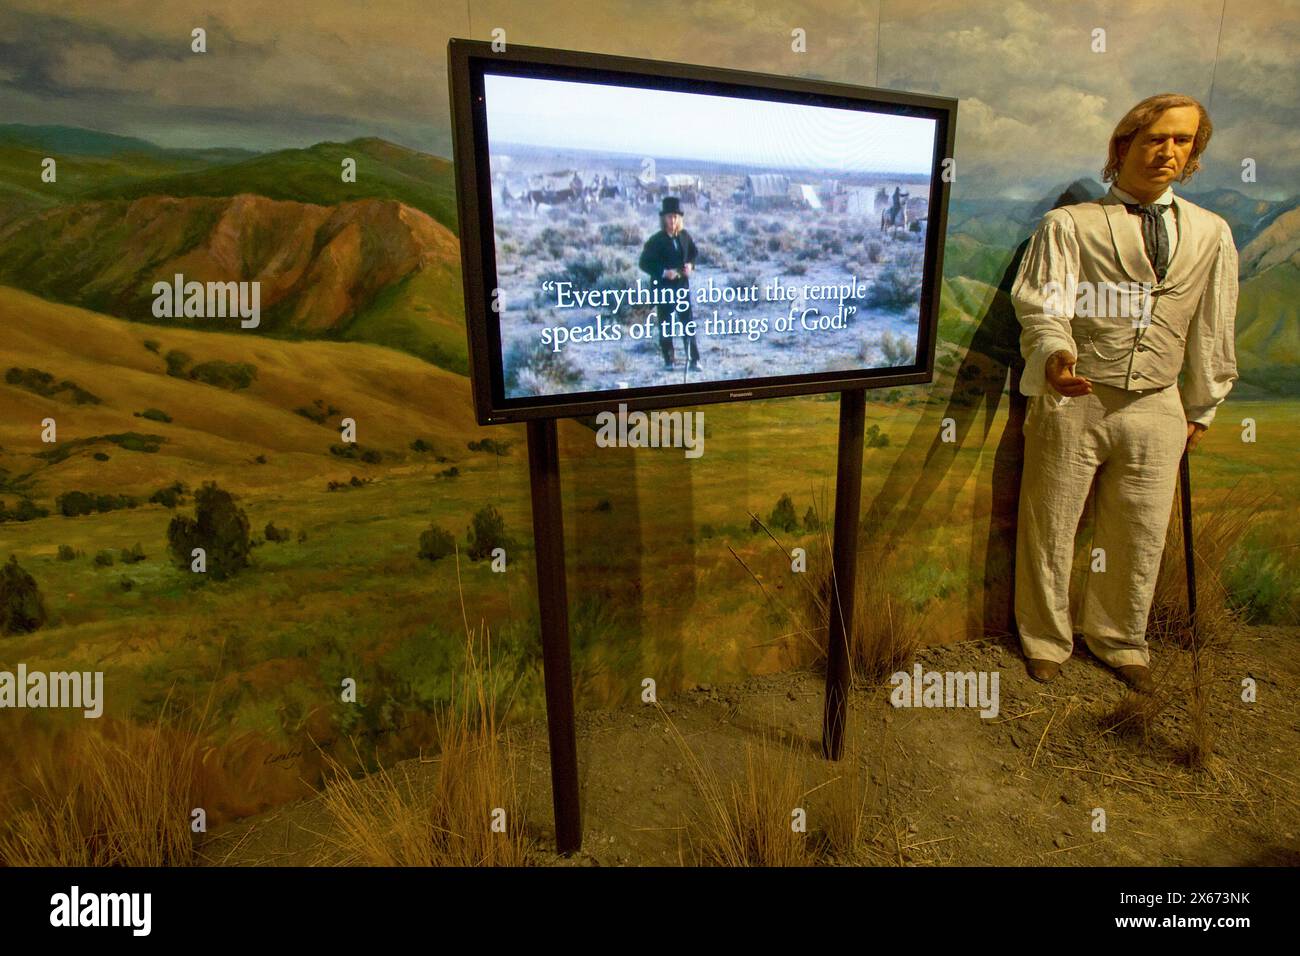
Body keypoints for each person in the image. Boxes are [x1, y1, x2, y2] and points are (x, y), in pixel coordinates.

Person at [1010, 93, 1239, 693]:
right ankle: (1045, 638)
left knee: (1139, 531)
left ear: (1194, 152)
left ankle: (1119, 639)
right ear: (1124, 145)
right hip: (1076, 397)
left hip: (1159, 403)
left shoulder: (1212, 234)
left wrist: (1201, 407)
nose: (1168, 151)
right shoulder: (1070, 225)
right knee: (1051, 523)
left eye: (1183, 141)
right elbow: (1043, 306)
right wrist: (1056, 358)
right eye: (1156, 137)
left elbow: (1214, 326)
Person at [638, 196, 702, 371]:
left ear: (679, 218)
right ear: (663, 219)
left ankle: (693, 359)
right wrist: (664, 272)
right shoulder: (656, 240)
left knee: (687, 323)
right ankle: (669, 360)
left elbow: (694, 254)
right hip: (663, 289)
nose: (672, 220)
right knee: (666, 325)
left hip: (681, 287)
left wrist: (691, 266)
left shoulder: (684, 236)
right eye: (669, 217)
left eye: (675, 216)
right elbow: (644, 263)